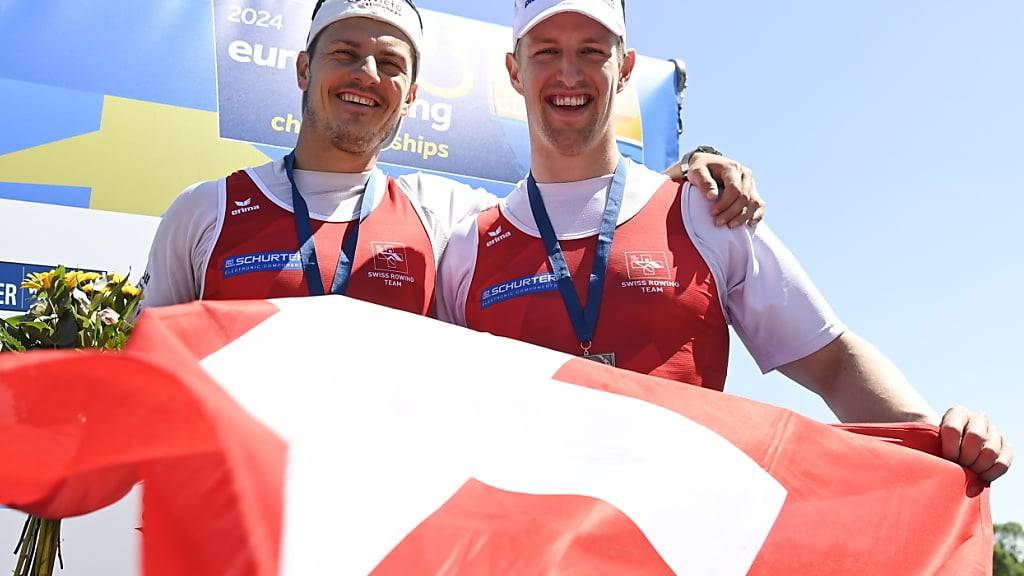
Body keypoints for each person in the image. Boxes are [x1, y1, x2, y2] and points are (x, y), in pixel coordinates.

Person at [435, 0, 1011, 481]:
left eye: (592, 52)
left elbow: (832, 362)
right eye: (546, 53)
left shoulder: (704, 210)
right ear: (514, 71)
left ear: (626, 66)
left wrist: (941, 439)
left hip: (681, 541)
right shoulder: (468, 244)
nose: (569, 74)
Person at [141, 0, 761, 312]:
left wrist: (697, 167)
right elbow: (148, 373)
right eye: (345, 53)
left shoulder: (442, 216)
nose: (366, 74)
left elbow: (581, 205)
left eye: (390, 64)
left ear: (409, 97)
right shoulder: (206, 211)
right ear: (304, 68)